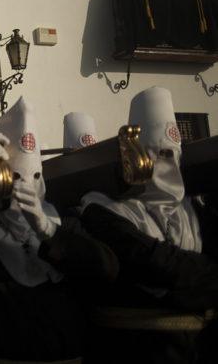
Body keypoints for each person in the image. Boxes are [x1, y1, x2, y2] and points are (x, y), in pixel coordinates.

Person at [0, 97, 119, 363]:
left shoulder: (61, 220)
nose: (28, 187)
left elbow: (106, 269)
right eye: (18, 178)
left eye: (36, 177)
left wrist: (47, 231)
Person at [80, 87, 218, 364]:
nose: (169, 164)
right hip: (136, 352)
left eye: (173, 155)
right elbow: (153, 263)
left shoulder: (194, 209)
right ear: (137, 160)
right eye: (159, 154)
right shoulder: (102, 210)